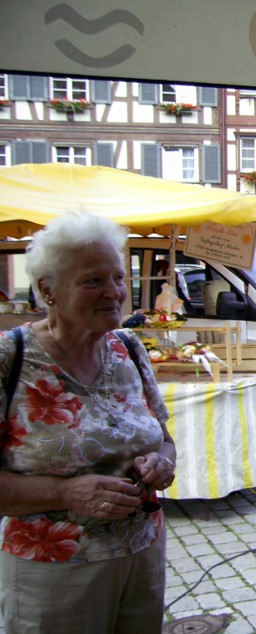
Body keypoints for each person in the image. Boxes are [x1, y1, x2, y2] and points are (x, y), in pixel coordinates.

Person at [0, 212, 176, 633]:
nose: (114, 292)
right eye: (93, 281)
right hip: (54, 569)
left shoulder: (128, 348)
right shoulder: (11, 358)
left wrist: (163, 462)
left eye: (118, 277)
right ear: (48, 290)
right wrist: (66, 492)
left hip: (142, 553)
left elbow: (165, 439)